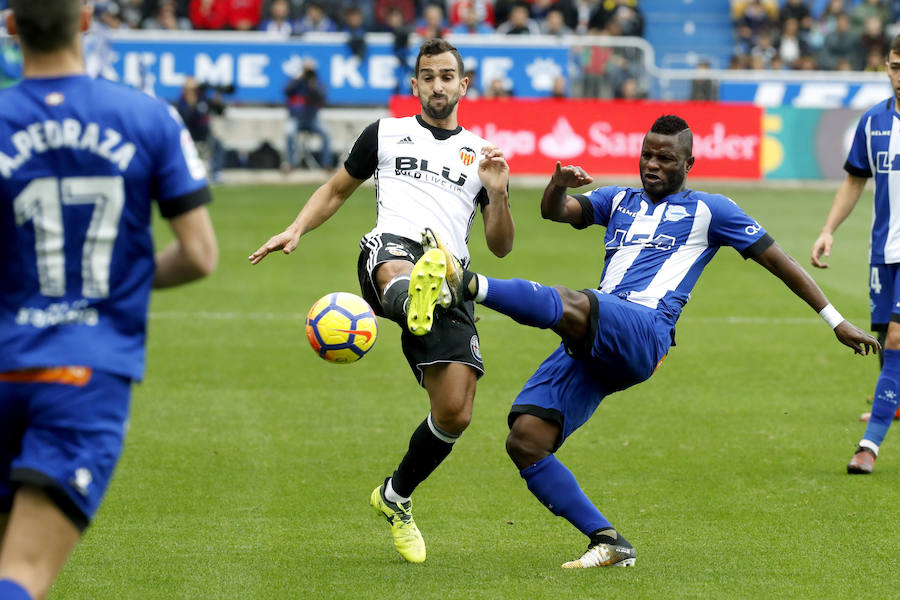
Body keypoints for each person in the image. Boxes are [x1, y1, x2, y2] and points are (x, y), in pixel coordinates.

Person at [409, 114, 878, 569]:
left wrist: (835, 319)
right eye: (647, 155)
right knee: (526, 439)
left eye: (666, 159)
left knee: (576, 302)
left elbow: (780, 261)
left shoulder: (712, 210)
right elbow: (557, 212)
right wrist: (557, 185)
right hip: (597, 336)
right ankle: (609, 541)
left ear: (688, 165)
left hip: (644, 331)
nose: (652, 165)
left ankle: (464, 283)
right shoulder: (619, 199)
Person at [248, 39, 514, 564]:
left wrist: (499, 192)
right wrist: (295, 228)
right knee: (402, 269)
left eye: (446, 76)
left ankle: (395, 497)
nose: (437, 85)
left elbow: (501, 246)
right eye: (427, 76)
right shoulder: (386, 133)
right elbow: (336, 190)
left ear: (463, 85)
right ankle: (407, 294)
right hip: (391, 248)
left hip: (452, 275)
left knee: (455, 412)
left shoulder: (482, 155)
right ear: (414, 85)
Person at [0, 1, 218, 599]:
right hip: (83, 372)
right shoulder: (146, 116)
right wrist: (104, 288)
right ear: (88, 20)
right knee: (21, 577)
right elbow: (199, 254)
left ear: (12, 25)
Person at [811, 35, 900, 474]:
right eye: (896, 66)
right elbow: (854, 181)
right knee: (886, 341)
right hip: (884, 251)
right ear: (885, 66)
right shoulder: (873, 122)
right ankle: (894, 398)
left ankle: (869, 446)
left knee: (898, 339)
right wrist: (829, 229)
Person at [282, 60, 332, 170]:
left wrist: (312, 85)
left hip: (312, 119)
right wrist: (299, 78)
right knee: (289, 132)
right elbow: (286, 91)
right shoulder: (295, 80)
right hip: (295, 118)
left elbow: (322, 98)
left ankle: (326, 164)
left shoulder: (317, 82)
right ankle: (291, 164)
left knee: (327, 132)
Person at [175, 76, 227, 182]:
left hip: (205, 134)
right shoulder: (182, 101)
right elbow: (185, 118)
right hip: (190, 135)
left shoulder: (202, 99)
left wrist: (218, 101)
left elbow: (220, 112)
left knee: (219, 146)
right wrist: (193, 106)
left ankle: (216, 173)